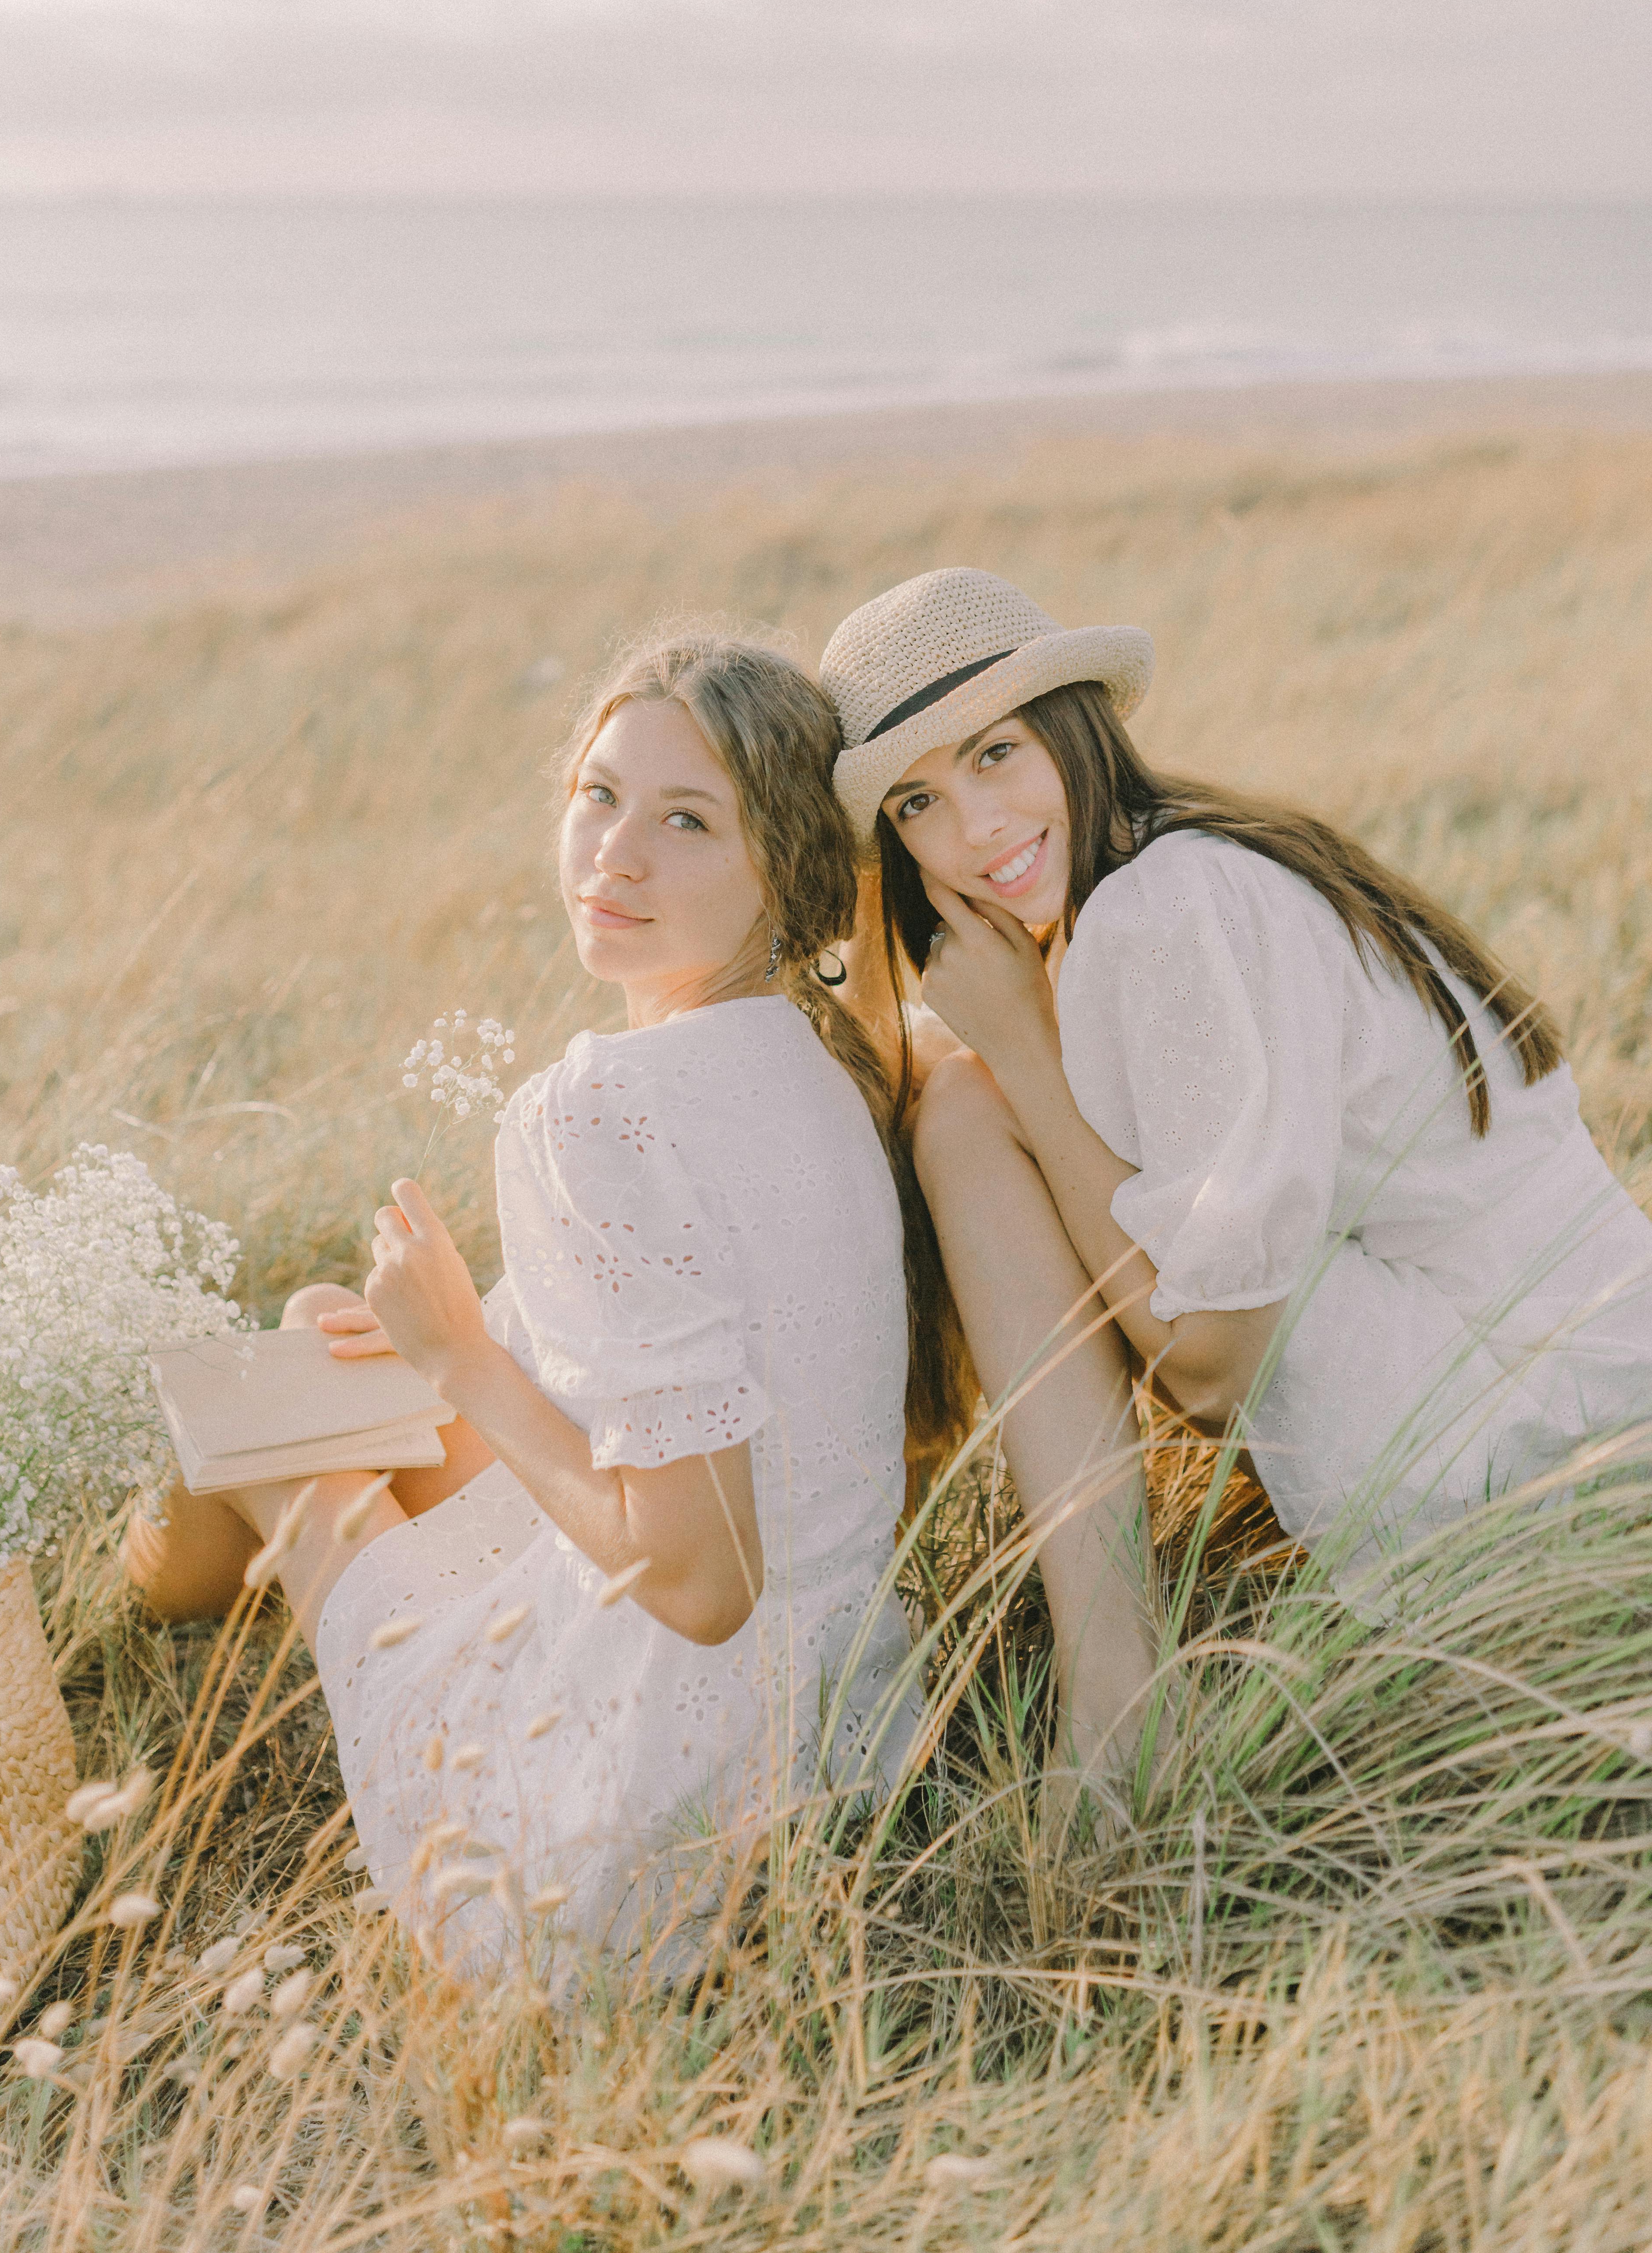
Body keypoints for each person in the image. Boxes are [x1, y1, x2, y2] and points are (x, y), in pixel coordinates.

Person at [125, 631, 967, 1969]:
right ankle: (169, 1572)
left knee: (289, 1450)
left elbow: (700, 1581)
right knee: (317, 1325)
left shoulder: (599, 1110)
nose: (616, 854)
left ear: (792, 875)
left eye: (687, 821)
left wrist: (465, 1362)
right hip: (843, 1765)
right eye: (599, 794)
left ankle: (149, 1602)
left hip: (616, 1843)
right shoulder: (829, 1076)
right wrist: (459, 1337)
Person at [819, 565, 1652, 1800]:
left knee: (968, 1108)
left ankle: (1117, 1705)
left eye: (998, 754)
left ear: (1071, 724)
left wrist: (1025, 1056)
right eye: (919, 804)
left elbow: (1212, 1365)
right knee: (960, 1093)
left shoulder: (1168, 911)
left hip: (1546, 1457)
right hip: (1584, 1390)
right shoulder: (1188, 861)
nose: (975, 831)